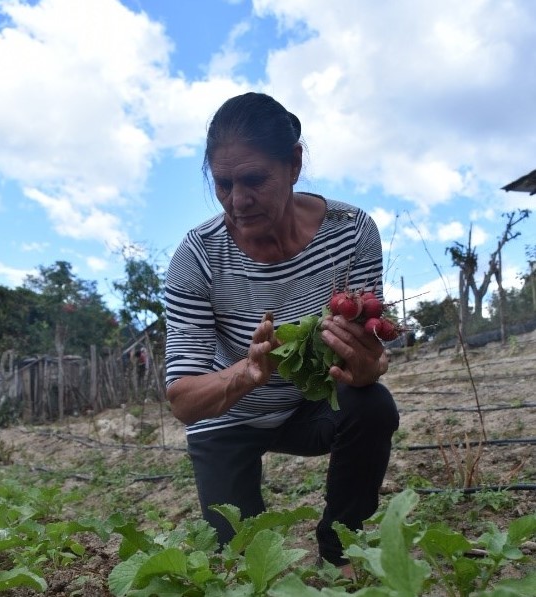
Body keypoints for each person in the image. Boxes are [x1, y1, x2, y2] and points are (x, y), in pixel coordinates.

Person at [165, 91, 399, 575]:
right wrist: (248, 372)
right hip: (226, 417)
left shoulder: (352, 231)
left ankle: (340, 551)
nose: (238, 200)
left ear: (294, 164)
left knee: (372, 404)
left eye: (253, 180)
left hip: (305, 406)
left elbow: (368, 359)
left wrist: (367, 364)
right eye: (223, 183)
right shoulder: (197, 258)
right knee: (245, 566)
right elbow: (185, 400)